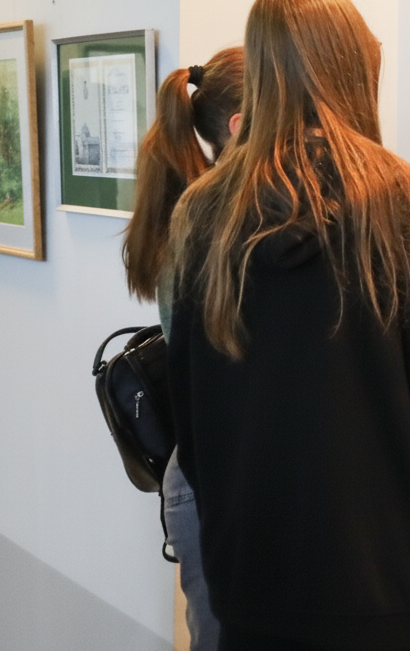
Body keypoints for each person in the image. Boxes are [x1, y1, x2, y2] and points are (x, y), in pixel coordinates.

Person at [167, 0, 410, 651]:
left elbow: (192, 421)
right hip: (394, 592)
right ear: (354, 66)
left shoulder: (205, 216)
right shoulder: (407, 209)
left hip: (254, 587)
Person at [123, 47, 245, 651]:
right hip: (213, 474)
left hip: (202, 470)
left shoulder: (201, 216)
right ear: (239, 126)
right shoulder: (213, 228)